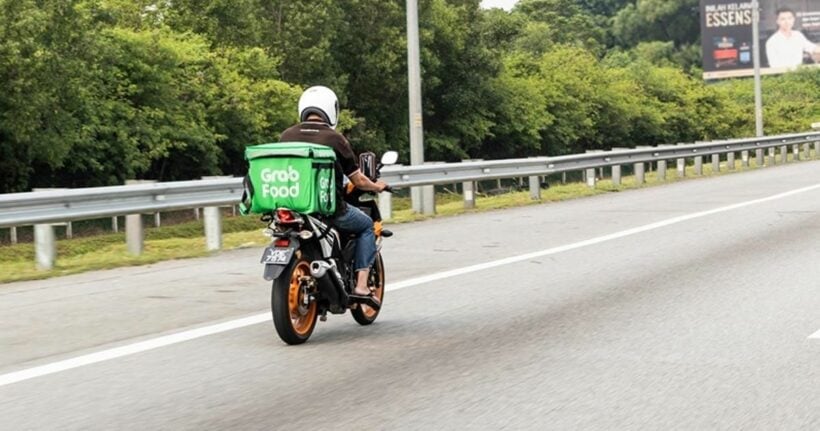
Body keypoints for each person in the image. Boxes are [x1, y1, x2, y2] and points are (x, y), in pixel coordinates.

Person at [279, 86, 387, 305]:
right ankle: (362, 285)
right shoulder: (335, 139)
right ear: (332, 110)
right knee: (366, 225)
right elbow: (358, 180)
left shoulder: (286, 135)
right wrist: (377, 187)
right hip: (327, 209)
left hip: (291, 206)